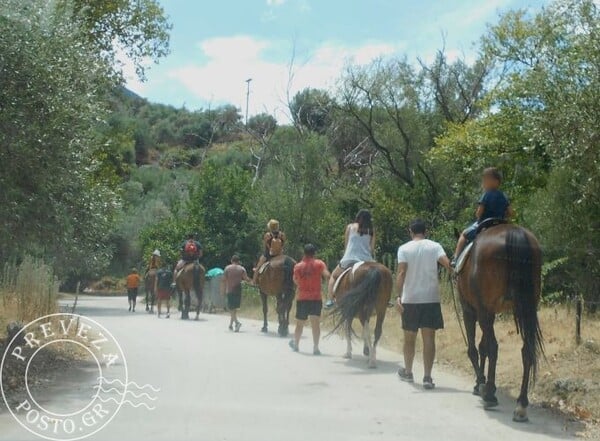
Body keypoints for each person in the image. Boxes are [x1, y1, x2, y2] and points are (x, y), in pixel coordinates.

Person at [395, 219, 451, 389]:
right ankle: (427, 376)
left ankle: (409, 372)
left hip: (410, 298)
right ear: (425, 231)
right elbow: (447, 264)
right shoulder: (435, 246)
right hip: (430, 298)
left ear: (410, 231)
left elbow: (402, 272)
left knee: (409, 338)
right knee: (429, 339)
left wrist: (398, 296)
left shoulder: (404, 248)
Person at [453, 167, 513, 264]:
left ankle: (455, 259)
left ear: (494, 181)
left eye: (485, 181)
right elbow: (511, 213)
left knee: (464, 234)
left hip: (485, 224)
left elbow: (479, 213)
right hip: (500, 225)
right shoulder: (503, 195)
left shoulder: (486, 195)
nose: (483, 184)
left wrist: (478, 215)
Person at [326, 209, 375, 306]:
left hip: (349, 258)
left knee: (334, 276)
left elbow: (346, 245)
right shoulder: (371, 230)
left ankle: (330, 299)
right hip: (366, 260)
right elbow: (372, 248)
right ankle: (382, 300)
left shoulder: (350, 227)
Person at [290, 244, 331, 355]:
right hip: (316, 298)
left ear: (304, 253)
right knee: (315, 324)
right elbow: (327, 275)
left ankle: (296, 345)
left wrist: (301, 284)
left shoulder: (298, 266)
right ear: (314, 253)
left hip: (302, 298)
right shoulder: (319, 264)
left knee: (299, 324)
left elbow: (295, 280)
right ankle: (316, 348)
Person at [222, 255, 252, 332]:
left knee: (230, 308)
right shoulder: (242, 269)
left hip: (230, 290)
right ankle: (231, 325)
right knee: (234, 309)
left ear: (231, 260)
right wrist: (252, 281)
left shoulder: (227, 268)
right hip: (238, 290)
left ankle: (237, 323)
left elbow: (224, 280)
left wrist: (223, 290)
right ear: (238, 261)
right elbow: (246, 278)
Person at [253, 219, 286, 284]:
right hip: (279, 255)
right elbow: (283, 245)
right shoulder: (282, 235)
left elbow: (266, 245)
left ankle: (254, 281)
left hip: (268, 254)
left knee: (258, 267)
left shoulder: (267, 235)